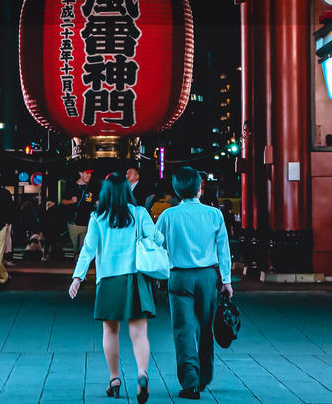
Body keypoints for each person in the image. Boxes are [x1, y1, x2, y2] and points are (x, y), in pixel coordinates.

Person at [69, 174, 158, 402]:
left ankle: (114, 379)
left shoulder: (98, 217)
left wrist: (77, 278)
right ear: (127, 191)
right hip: (136, 278)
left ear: (105, 193)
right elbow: (156, 239)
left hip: (108, 280)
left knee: (110, 331)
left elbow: (88, 250)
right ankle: (141, 373)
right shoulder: (139, 213)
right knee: (139, 332)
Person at [155, 166, 232, 400]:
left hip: (178, 277)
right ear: (200, 189)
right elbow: (223, 249)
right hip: (208, 276)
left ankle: (190, 382)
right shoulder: (214, 214)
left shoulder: (168, 216)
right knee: (206, 326)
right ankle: (205, 375)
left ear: (177, 191)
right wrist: (226, 280)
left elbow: (157, 246)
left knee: (183, 329)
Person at [64, 167, 97, 260]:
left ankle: (81, 265)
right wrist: (70, 201)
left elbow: (96, 201)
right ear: (81, 173)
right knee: (75, 247)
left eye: (90, 174)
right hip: (73, 222)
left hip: (86, 222)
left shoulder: (92, 187)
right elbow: (62, 201)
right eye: (87, 173)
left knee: (83, 247)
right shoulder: (72, 186)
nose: (89, 176)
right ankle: (75, 261)